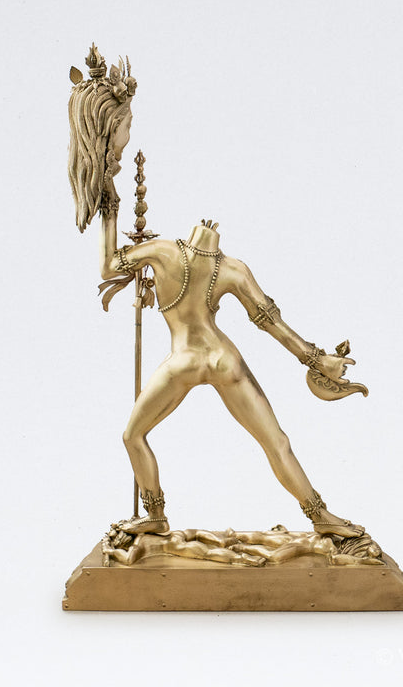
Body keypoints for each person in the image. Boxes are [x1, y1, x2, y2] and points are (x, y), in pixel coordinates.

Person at [68, 45, 365, 540]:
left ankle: (157, 515)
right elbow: (274, 327)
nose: (212, 228)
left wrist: (111, 207)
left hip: (185, 360)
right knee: (276, 442)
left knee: (134, 435)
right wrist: (318, 359)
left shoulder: (165, 252)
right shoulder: (229, 268)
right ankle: (321, 518)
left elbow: (107, 264)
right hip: (222, 359)